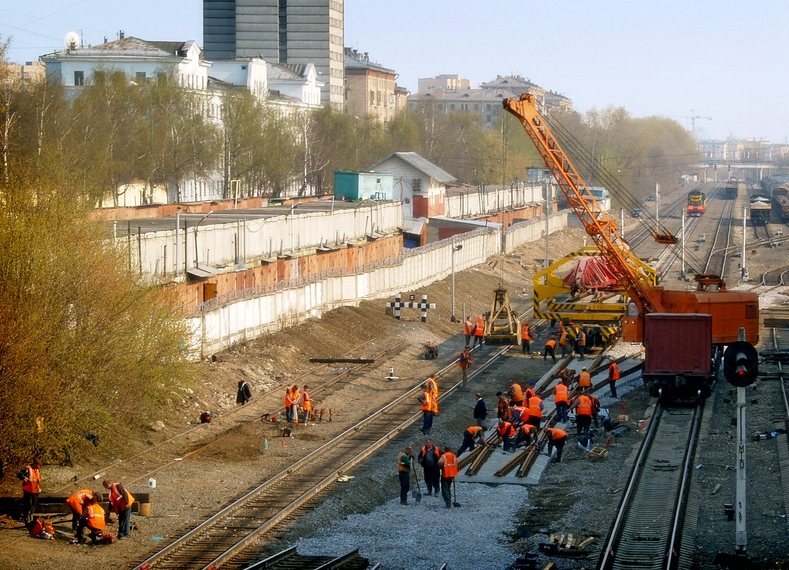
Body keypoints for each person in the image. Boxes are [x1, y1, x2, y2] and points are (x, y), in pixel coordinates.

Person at [20, 459, 42, 525]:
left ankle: (31, 514)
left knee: (34, 503)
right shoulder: (27, 468)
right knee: (27, 504)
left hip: (35, 490)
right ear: (35, 464)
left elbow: (37, 478)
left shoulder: (37, 470)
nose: (39, 467)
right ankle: (26, 516)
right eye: (38, 465)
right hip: (28, 490)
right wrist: (24, 478)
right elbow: (20, 475)